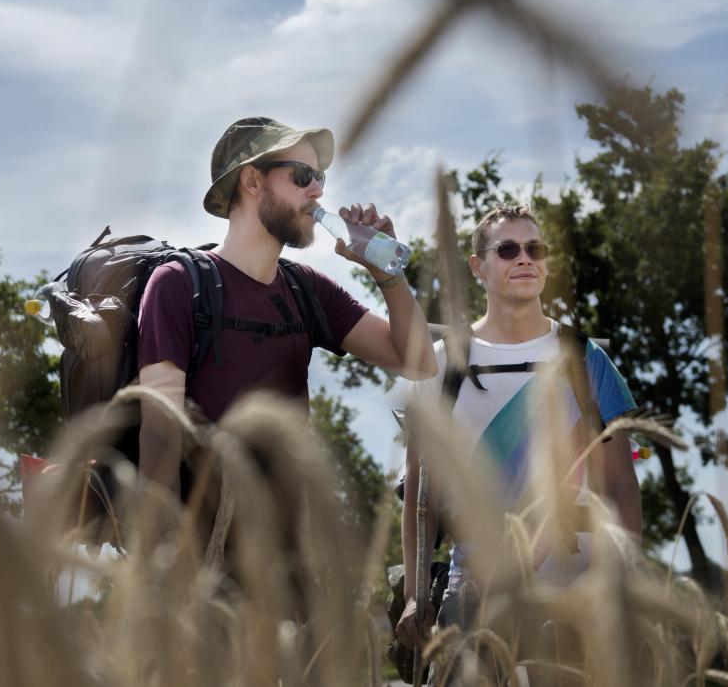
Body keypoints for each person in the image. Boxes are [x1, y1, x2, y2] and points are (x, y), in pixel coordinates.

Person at [135, 116, 438, 494]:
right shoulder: (179, 284)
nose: (316, 191)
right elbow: (159, 438)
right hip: (204, 545)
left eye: (320, 178)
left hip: (292, 545)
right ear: (252, 181)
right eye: (301, 175)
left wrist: (386, 272)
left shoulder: (307, 289)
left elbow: (420, 363)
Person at [396, 202, 642, 661]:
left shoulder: (586, 359)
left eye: (536, 248)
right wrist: (415, 594)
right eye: (507, 250)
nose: (525, 258)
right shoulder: (440, 364)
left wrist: (631, 585)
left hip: (582, 588)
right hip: (476, 589)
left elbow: (623, 486)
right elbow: (419, 496)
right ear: (478, 267)